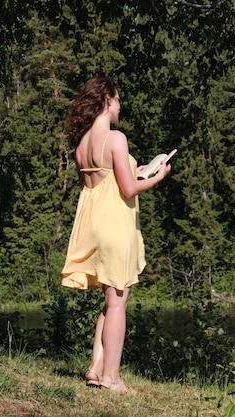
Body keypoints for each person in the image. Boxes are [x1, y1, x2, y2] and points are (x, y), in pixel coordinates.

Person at [60, 77, 171, 394]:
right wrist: (158, 175)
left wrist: (141, 169)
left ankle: (96, 368)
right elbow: (128, 189)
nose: (121, 106)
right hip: (115, 225)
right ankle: (112, 377)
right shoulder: (115, 139)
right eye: (118, 99)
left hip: (92, 226)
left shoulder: (81, 144)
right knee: (119, 303)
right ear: (107, 100)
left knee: (110, 303)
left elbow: (109, 181)